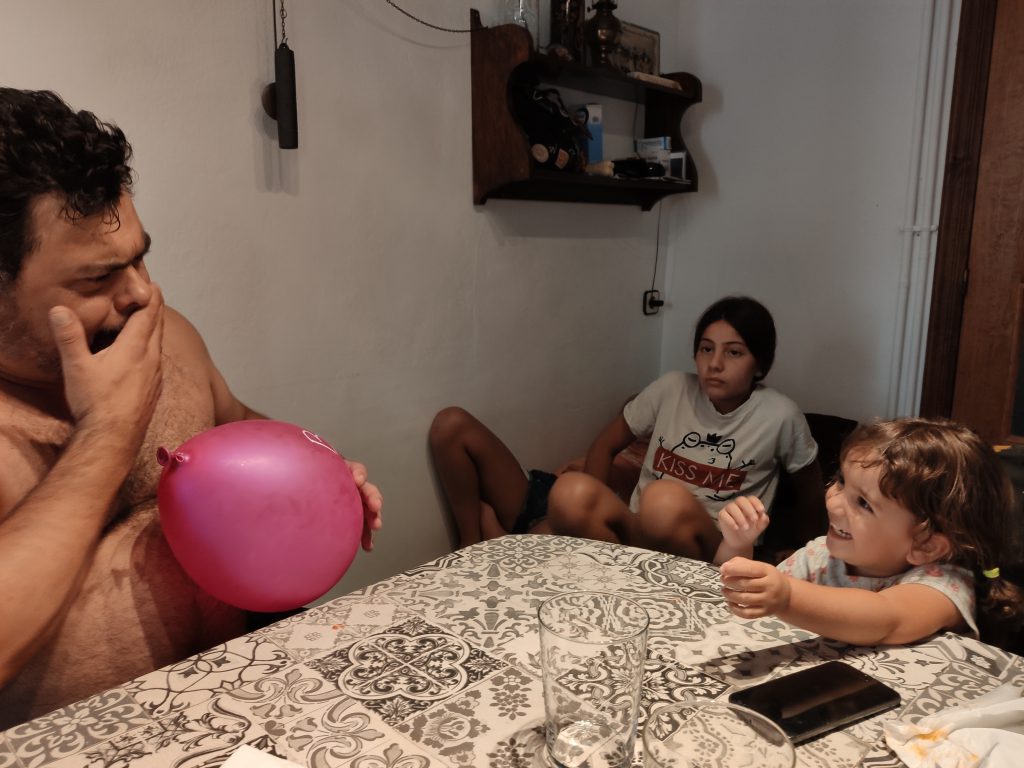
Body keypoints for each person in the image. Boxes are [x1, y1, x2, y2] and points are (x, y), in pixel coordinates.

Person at [0, 88, 383, 728]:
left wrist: (320, 477)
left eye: (140, 257)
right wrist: (108, 430)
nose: (142, 293)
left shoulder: (161, 330)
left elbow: (236, 421)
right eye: (97, 278)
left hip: (254, 704)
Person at [546, 296, 825, 561]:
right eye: (706, 349)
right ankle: (615, 574)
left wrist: (803, 551)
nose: (714, 364)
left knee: (662, 501)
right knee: (569, 491)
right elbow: (605, 445)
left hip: (718, 546)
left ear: (760, 365)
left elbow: (810, 487)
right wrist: (599, 505)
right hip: (640, 530)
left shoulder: (779, 415)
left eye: (734, 352)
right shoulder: (671, 388)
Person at [716, 418, 1024, 646]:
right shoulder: (819, 556)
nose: (833, 503)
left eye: (863, 503)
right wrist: (738, 546)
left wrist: (787, 596)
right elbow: (739, 599)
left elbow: (885, 618)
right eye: (841, 481)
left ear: (926, 545)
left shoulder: (943, 584)